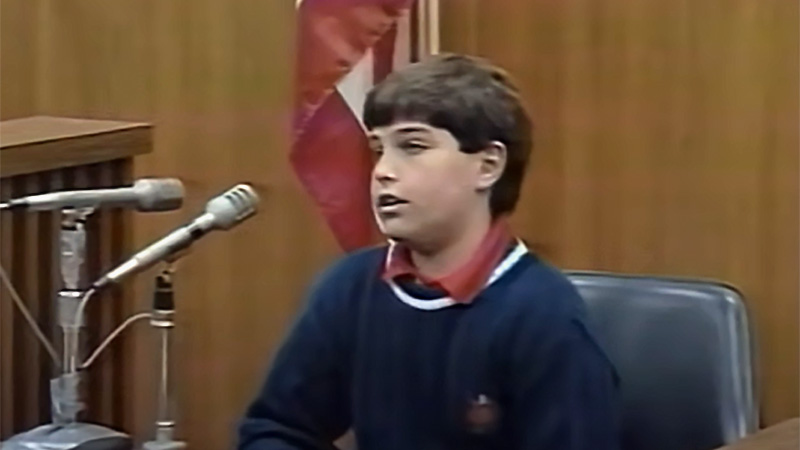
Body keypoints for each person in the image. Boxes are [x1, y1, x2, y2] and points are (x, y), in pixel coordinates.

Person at [238, 53, 620, 450]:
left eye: (413, 146)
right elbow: (277, 429)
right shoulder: (350, 288)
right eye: (378, 150)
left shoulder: (544, 318)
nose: (383, 170)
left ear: (487, 166)